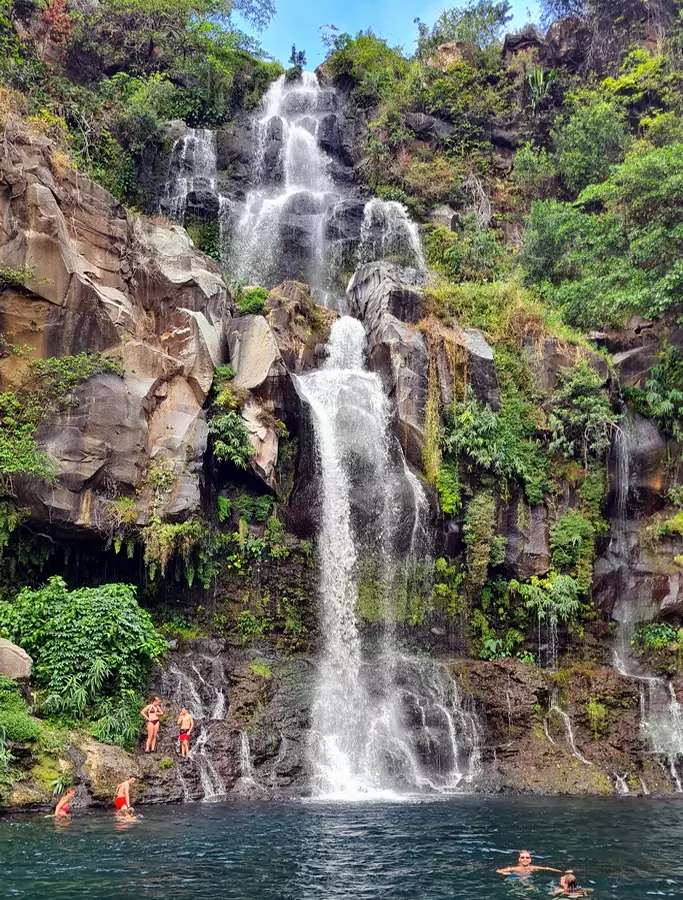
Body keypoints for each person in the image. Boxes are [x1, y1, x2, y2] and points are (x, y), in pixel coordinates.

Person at [497, 850, 562, 877]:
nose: (525, 859)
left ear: (530, 860)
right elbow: (498, 870)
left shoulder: (533, 867)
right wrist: (505, 873)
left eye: (527, 857)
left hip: (528, 878)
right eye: (522, 857)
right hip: (516, 878)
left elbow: (547, 868)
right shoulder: (515, 868)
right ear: (519, 860)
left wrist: (561, 871)